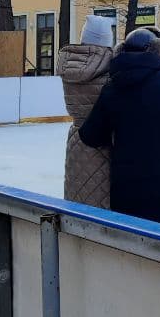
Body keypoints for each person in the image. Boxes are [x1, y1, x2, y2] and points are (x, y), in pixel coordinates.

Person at [80, 28, 160, 228]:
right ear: (158, 52)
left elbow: (90, 136)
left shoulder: (112, 88)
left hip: (126, 191)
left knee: (133, 251)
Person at [61, 15, 116, 208]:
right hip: (102, 142)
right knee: (101, 203)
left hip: (77, 138)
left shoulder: (71, 64)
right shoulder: (109, 68)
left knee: (79, 195)